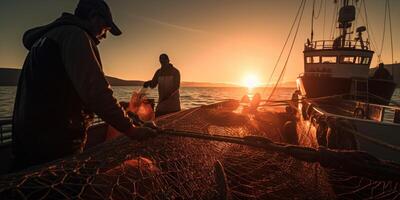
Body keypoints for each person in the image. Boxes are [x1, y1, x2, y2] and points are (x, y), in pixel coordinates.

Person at [12, 0, 157, 170]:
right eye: (106, 28)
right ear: (94, 17)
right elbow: (96, 92)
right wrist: (131, 130)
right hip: (55, 143)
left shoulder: (46, 39)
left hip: (27, 140)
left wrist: (127, 115)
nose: (104, 36)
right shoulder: (75, 36)